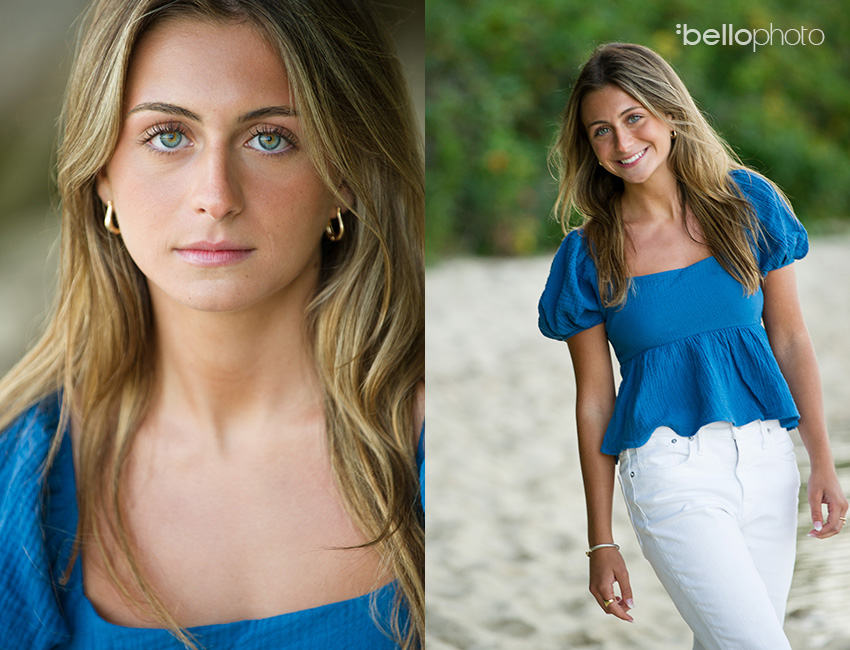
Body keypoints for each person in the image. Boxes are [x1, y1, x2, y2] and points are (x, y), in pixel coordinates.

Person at [0, 0, 424, 648]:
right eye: (169, 135)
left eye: (270, 137)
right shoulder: (24, 481)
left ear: (344, 172)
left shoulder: (431, 447)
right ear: (103, 174)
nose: (216, 196)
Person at [538, 42, 847, 649]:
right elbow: (595, 402)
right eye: (602, 131)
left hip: (767, 462)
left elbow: (789, 336)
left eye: (634, 119)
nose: (623, 144)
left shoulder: (748, 203)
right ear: (588, 145)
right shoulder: (588, 255)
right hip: (670, 473)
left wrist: (823, 464)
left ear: (670, 114)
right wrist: (601, 539)